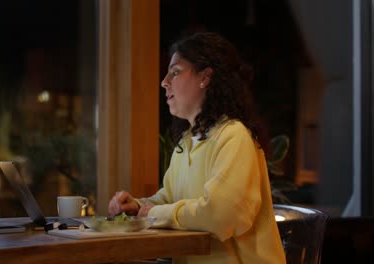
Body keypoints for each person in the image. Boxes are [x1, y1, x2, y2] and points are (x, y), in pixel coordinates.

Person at [108, 32, 286, 263]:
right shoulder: (187, 141)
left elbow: (222, 213)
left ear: (205, 77)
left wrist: (152, 214)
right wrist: (138, 207)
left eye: (175, 72)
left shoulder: (233, 135)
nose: (164, 82)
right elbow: (172, 199)